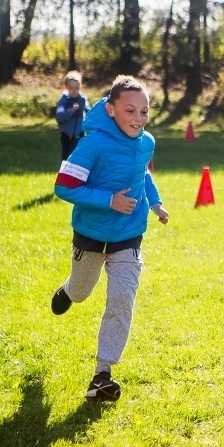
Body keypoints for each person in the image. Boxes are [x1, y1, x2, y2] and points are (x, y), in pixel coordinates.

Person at [51, 75, 169, 401]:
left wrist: (155, 203)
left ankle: (102, 373)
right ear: (111, 109)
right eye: (130, 111)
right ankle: (68, 291)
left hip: (130, 234)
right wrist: (109, 200)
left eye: (144, 112)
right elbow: (64, 186)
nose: (138, 119)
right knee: (82, 291)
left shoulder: (147, 142)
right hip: (91, 233)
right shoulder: (92, 144)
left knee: (122, 299)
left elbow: (142, 174)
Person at [55, 70, 91, 161]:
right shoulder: (64, 101)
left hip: (80, 134)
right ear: (66, 87)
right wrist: (70, 111)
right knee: (66, 157)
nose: (74, 91)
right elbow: (59, 117)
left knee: (78, 157)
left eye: (76, 88)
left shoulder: (82, 100)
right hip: (66, 135)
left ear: (81, 87)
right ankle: (64, 174)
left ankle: (77, 174)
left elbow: (89, 112)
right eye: (71, 88)